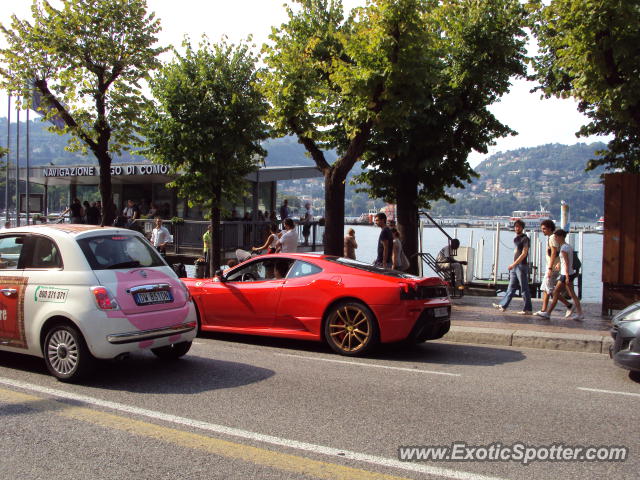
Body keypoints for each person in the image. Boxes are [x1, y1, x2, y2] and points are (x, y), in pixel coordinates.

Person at [537, 229, 584, 321]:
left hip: (565, 274)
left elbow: (566, 263)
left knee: (558, 293)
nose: (556, 239)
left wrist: (566, 275)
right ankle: (578, 312)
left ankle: (550, 313)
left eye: (556, 237)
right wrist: (560, 265)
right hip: (568, 273)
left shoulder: (563, 248)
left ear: (561, 237)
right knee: (563, 293)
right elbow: (566, 261)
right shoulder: (568, 246)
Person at [493, 219, 533, 315]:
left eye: (519, 226)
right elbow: (516, 251)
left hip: (521, 266)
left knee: (524, 288)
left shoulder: (525, 238)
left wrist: (514, 264)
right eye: (515, 226)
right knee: (511, 287)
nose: (516, 228)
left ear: (522, 228)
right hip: (515, 266)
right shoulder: (516, 239)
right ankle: (503, 305)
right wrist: (513, 264)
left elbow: (524, 253)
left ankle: (528, 309)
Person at [535, 219, 572, 318]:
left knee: (550, 290)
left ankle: (568, 304)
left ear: (550, 228)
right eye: (542, 229)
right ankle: (543, 309)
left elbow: (554, 252)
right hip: (552, 266)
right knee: (545, 289)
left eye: (544, 229)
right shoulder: (551, 238)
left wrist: (550, 268)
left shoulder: (552, 238)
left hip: (552, 268)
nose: (543, 231)